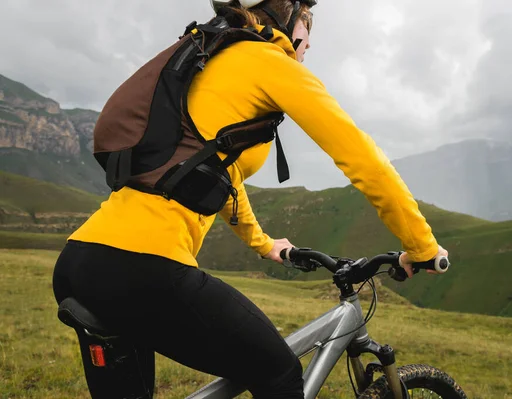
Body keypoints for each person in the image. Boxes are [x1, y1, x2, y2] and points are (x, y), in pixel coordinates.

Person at [52, 0, 449, 398]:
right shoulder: (270, 61)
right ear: (289, 21)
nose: (306, 52)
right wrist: (422, 246)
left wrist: (266, 245)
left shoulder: (210, 59)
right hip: (144, 267)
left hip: (84, 258)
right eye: (307, 41)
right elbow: (365, 161)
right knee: (279, 375)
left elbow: (218, 174)